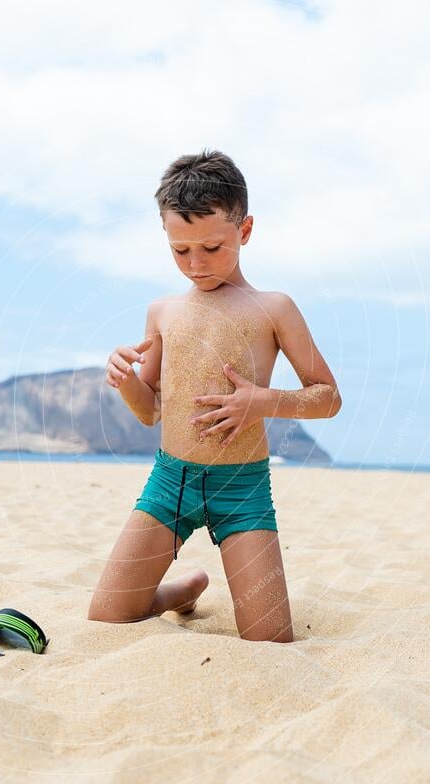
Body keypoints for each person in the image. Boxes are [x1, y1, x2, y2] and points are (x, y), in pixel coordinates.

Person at [88, 149, 341, 642]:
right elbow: (151, 412)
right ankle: (171, 595)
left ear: (244, 232)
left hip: (243, 490)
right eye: (180, 251)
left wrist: (264, 401)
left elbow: (328, 396)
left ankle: (178, 590)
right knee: (107, 615)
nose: (196, 264)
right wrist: (126, 382)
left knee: (270, 640)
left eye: (212, 247)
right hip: (170, 483)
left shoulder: (274, 309)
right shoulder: (163, 312)